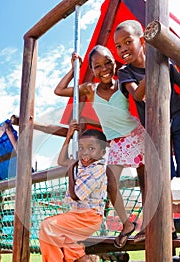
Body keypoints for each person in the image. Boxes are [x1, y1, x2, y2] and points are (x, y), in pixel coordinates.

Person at [114, 19, 180, 241]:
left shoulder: (165, 62)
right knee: (163, 174)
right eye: (118, 46)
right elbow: (138, 95)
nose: (123, 49)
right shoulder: (125, 72)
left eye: (127, 42)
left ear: (142, 41)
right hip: (155, 125)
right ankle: (167, 222)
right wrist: (153, 64)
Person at [54, 45, 146, 248]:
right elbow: (59, 90)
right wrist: (73, 69)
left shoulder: (123, 81)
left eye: (108, 63)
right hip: (117, 143)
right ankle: (127, 224)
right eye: (97, 66)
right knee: (111, 183)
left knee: (145, 181)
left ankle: (149, 225)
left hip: (137, 135)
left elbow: (141, 91)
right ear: (92, 70)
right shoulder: (90, 89)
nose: (104, 69)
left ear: (115, 62)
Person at [35, 121, 108, 262]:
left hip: (89, 216)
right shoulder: (81, 165)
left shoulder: (97, 169)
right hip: (76, 215)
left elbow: (77, 195)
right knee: (63, 238)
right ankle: (85, 260)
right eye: (81, 148)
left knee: (48, 226)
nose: (85, 153)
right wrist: (68, 136)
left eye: (91, 149)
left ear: (102, 152)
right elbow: (61, 160)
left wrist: (70, 169)